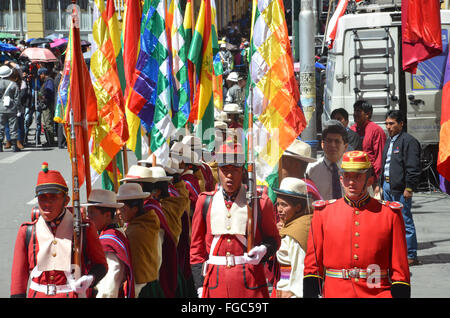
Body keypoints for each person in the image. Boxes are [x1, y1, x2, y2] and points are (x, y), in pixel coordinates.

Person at [303, 151, 411, 298]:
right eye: (347, 176)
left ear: (369, 180)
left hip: (377, 292)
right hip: (336, 293)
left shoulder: (390, 214)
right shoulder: (323, 213)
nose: (351, 182)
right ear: (341, 179)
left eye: (357, 176)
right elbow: (313, 264)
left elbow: (400, 267)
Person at [190, 139, 281, 298]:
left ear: (243, 171)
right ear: (218, 171)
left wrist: (264, 250)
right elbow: (196, 249)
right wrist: (199, 285)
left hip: (250, 283)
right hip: (214, 283)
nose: (229, 176)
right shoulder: (205, 201)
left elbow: (274, 240)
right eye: (225, 170)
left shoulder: (259, 202)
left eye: (235, 170)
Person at [10, 162, 108, 298]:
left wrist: (90, 279)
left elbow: (101, 266)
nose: (47, 204)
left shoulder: (84, 228)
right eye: (42, 198)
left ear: (66, 200)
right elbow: (18, 279)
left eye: (53, 198)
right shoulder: (27, 231)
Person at [379, 110, 421, 266]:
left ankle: (411, 254)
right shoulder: (390, 141)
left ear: (401, 124)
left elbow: (413, 167)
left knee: (405, 220)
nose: (388, 127)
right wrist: (380, 185)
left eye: (392, 123)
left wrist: (409, 187)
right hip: (387, 186)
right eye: (387, 124)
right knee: (389, 221)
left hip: (401, 188)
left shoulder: (409, 141)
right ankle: (395, 252)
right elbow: (385, 165)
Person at [83, 189, 135, 298]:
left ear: (107, 215)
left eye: (92, 213)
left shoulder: (108, 243)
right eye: (88, 212)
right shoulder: (116, 233)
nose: (88, 217)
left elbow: (109, 286)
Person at [116, 182, 161, 298]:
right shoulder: (147, 222)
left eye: (123, 209)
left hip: (141, 288)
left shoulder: (135, 232)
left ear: (135, 209)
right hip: (151, 282)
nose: (118, 213)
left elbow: (136, 270)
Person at [272, 177, 312, 298]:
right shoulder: (295, 224)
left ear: (298, 207)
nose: (279, 209)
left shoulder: (296, 232)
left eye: (284, 205)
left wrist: (295, 294)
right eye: (278, 204)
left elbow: (299, 267)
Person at [306, 120, 349, 200]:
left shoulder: (353, 168)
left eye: (337, 141)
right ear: (322, 144)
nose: (332, 145)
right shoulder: (311, 169)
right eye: (329, 141)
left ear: (345, 147)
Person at [350, 100, 386, 182]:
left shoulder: (376, 130)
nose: (355, 114)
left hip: (370, 177)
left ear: (367, 114)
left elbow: (379, 158)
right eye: (354, 111)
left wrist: (377, 181)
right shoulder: (352, 130)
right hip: (353, 176)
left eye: (358, 111)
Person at [0, 64, 20, 152]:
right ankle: (15, 146)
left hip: (0, 108)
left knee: (0, 127)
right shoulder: (13, 84)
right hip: (11, 109)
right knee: (13, 127)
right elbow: (17, 98)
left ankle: (0, 146)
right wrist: (17, 107)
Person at [37, 67, 56, 147]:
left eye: (40, 75)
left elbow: (49, 92)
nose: (39, 77)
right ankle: (48, 140)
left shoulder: (49, 81)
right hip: (45, 105)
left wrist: (42, 96)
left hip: (48, 105)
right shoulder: (46, 81)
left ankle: (51, 141)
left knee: (48, 123)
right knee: (44, 124)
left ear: (43, 74)